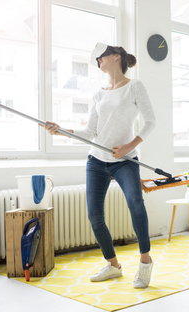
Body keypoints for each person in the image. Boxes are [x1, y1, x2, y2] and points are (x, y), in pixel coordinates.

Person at [43, 44, 156, 289]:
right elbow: (90, 131)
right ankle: (113, 265)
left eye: (100, 57)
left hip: (124, 161)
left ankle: (145, 262)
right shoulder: (99, 94)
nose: (98, 62)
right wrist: (61, 130)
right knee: (94, 216)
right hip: (96, 160)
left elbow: (150, 121)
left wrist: (129, 145)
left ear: (116, 57)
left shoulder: (134, 87)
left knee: (136, 203)